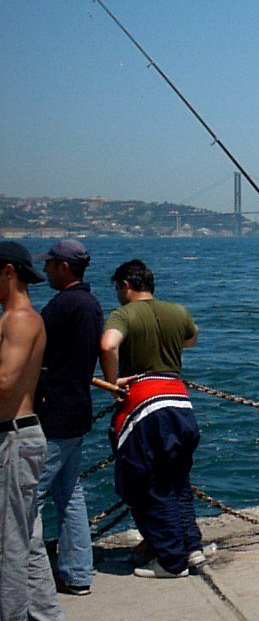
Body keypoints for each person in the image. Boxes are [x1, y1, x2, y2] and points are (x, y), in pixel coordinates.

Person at [99, 259, 204, 579]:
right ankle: (191, 547)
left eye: (118, 288)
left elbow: (107, 344)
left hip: (144, 406)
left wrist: (112, 380)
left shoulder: (123, 314)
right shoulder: (178, 312)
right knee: (176, 481)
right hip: (180, 403)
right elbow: (191, 339)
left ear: (126, 286)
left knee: (142, 484)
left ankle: (170, 561)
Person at [34, 239, 103, 596]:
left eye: (49, 264)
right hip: (78, 409)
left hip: (54, 414)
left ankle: (28, 581)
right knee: (70, 494)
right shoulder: (91, 304)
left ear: (63, 267)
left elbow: (35, 350)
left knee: (29, 496)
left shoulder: (61, 306)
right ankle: (77, 574)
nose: (44, 269)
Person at [0, 241, 65, 621]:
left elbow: (6, 381)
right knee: (28, 540)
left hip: (12, 438)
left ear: (9, 271)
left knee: (7, 546)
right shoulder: (19, 318)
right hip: (21, 436)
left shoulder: (20, 319)